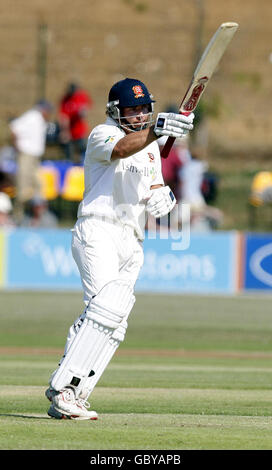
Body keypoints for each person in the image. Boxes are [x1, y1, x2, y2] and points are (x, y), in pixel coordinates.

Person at [45, 77, 194, 420]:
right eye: (133, 109)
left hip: (133, 238)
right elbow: (124, 149)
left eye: (145, 109)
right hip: (98, 229)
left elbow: (153, 183)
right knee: (104, 311)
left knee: (116, 322)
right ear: (116, 111)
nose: (140, 115)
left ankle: (77, 394)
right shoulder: (102, 134)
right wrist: (157, 130)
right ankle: (63, 389)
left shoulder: (154, 147)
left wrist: (161, 196)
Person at [9, 100, 53, 223]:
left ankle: (38, 217)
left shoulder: (41, 121)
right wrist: (16, 146)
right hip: (26, 155)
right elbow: (14, 127)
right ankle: (18, 216)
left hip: (34, 158)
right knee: (23, 187)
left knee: (39, 185)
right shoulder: (33, 116)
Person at [58, 82, 93, 162]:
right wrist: (65, 131)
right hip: (69, 132)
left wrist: (83, 111)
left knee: (83, 150)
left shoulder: (81, 97)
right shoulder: (65, 99)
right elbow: (63, 117)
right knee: (69, 153)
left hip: (80, 131)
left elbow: (85, 111)